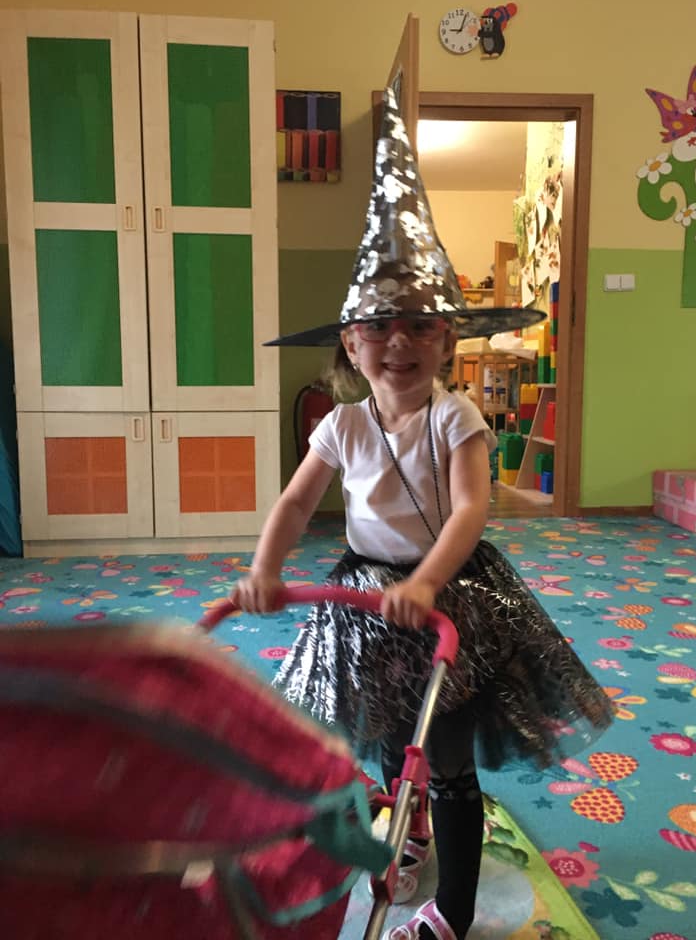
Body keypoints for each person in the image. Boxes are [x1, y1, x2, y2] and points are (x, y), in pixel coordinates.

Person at [233, 89, 613, 940]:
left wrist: (429, 581)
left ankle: (455, 907)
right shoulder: (341, 423)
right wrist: (264, 569)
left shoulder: (456, 416)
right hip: (365, 596)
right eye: (377, 326)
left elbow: (473, 505)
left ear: (447, 341)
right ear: (349, 344)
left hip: (451, 596)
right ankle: (408, 827)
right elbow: (297, 501)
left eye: (418, 326)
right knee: (381, 730)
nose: (397, 341)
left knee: (445, 754)